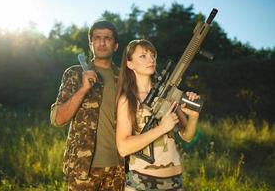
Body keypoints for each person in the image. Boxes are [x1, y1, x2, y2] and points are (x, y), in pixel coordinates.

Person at [116, 39, 200, 191]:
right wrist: (161, 129)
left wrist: (193, 116)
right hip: (141, 181)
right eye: (143, 56)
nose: (151, 60)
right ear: (130, 64)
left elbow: (187, 136)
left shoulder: (167, 94)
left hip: (174, 181)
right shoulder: (127, 99)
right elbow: (123, 147)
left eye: (153, 55)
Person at [50, 20, 125, 191]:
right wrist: (83, 89)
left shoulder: (124, 79)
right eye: (97, 38)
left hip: (119, 170)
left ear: (115, 45)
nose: (102, 42)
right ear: (90, 44)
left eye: (107, 38)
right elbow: (58, 119)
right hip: (82, 170)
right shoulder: (74, 74)